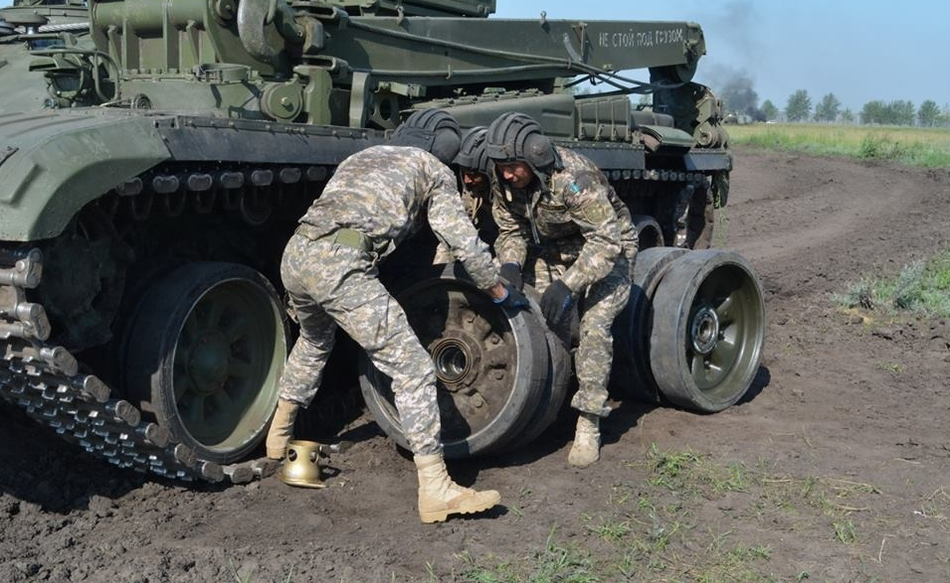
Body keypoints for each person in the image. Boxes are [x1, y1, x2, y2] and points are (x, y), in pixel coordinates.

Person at [265, 109, 527, 523]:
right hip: (341, 264)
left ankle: (278, 440)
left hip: (297, 255)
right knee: (413, 369)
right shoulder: (433, 169)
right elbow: (462, 241)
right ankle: (436, 488)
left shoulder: (364, 156)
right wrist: (496, 288)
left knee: (315, 340)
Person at [485, 111, 638, 468]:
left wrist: (567, 285)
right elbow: (509, 230)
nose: (506, 174)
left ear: (534, 157)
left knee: (593, 326)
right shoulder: (504, 179)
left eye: (513, 166)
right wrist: (509, 265)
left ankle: (589, 420)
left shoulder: (574, 179)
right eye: (501, 166)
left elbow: (605, 241)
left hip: (608, 253)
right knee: (526, 311)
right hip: (550, 251)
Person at [433, 126, 498, 263]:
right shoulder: (471, 186)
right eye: (464, 172)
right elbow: (457, 227)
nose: (467, 180)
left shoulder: (509, 187)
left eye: (473, 175)